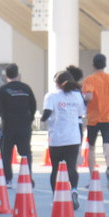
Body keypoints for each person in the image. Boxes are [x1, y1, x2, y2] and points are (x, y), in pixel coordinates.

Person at [40, 66, 86, 207]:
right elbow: (81, 113)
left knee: (56, 168)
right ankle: (74, 190)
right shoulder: (77, 96)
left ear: (57, 83)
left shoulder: (51, 96)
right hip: (73, 138)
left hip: (57, 138)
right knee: (72, 167)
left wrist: (43, 119)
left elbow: (46, 114)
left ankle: (56, 197)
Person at [0, 63, 37, 187]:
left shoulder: (3, 90)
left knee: (6, 153)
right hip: (24, 126)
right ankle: (27, 178)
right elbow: (33, 105)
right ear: (18, 74)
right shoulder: (26, 89)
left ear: (6, 75)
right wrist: (30, 118)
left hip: (8, 126)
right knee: (26, 153)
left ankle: (8, 179)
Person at [82, 53, 109, 180]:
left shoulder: (89, 80)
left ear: (93, 65)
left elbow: (89, 96)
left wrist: (84, 101)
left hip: (93, 118)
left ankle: (92, 176)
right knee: (107, 144)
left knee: (91, 147)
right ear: (105, 65)